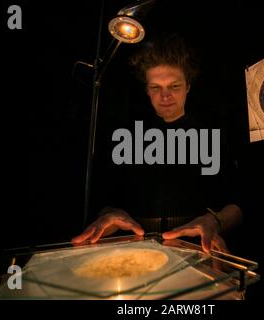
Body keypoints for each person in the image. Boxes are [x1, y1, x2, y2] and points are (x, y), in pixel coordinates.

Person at [72, 34, 242, 253]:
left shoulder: (211, 137)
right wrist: (108, 213)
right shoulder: (128, 138)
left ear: (188, 86)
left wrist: (215, 221)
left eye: (174, 86)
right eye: (155, 87)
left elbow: (237, 206)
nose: (165, 96)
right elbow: (106, 197)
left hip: (197, 252)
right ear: (146, 90)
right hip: (136, 254)